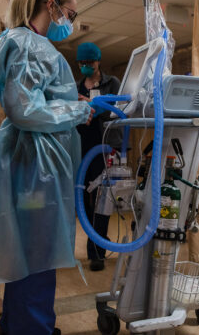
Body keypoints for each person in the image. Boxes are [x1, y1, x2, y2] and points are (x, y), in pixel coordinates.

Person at [0, 0, 93, 335]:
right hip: (36, 170)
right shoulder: (31, 44)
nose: (70, 23)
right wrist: (80, 108)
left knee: (26, 254)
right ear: (51, 4)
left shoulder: (20, 41)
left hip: (29, 167)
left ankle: (19, 325)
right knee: (38, 256)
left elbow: (31, 98)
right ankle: (32, 328)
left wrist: (66, 98)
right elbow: (25, 109)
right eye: (70, 14)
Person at [75, 42, 122, 272]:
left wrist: (92, 106)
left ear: (98, 61)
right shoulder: (76, 88)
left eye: (89, 63)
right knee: (82, 200)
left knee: (101, 203)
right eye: (82, 63)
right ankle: (89, 243)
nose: (86, 67)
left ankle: (97, 253)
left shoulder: (111, 83)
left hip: (104, 149)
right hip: (81, 149)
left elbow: (119, 107)